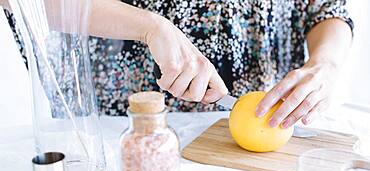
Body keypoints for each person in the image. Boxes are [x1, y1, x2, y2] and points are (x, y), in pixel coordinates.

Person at [1, 0, 353, 129]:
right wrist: (149, 26)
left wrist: (327, 62)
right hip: (128, 127)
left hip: (267, 126)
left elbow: (325, 8)